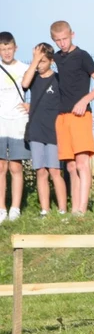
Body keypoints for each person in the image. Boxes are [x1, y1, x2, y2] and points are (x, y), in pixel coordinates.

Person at [50, 20, 94, 216]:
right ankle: (74, 210)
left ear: (72, 35)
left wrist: (85, 100)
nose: (62, 43)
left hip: (81, 115)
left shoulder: (82, 56)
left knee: (82, 163)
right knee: (71, 166)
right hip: (62, 117)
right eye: (58, 40)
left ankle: (82, 209)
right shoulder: (56, 57)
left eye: (64, 39)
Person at [20, 44, 67, 216]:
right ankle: (44, 210)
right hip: (36, 131)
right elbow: (24, 83)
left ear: (51, 61)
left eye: (43, 61)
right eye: (37, 61)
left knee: (55, 170)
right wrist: (34, 60)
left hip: (53, 132)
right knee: (41, 171)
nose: (39, 65)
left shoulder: (58, 79)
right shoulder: (33, 77)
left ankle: (62, 210)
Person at [0, 32, 30, 222]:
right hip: (0, 121)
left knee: (16, 166)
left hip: (19, 120)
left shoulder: (24, 68)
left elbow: (40, 89)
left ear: (15, 48)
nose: (6, 53)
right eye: (3, 49)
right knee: (1, 166)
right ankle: (1, 208)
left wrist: (32, 105)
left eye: (9, 48)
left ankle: (15, 208)